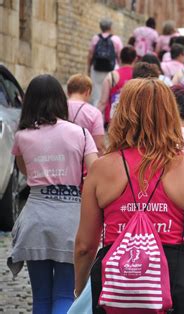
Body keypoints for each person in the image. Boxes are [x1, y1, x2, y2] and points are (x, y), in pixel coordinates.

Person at [73, 78, 184, 314]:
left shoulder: (100, 169)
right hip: (173, 279)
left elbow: (85, 245)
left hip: (114, 282)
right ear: (170, 115)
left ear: (122, 114)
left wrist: (81, 288)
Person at [8, 75, 98, 313]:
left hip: (35, 216)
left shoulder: (22, 136)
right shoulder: (80, 134)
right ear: (60, 99)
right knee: (65, 293)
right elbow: (95, 171)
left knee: (41, 297)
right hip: (70, 217)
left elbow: (26, 171)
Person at [87, 19, 123, 107]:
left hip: (97, 68)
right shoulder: (116, 39)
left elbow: (90, 55)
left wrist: (88, 68)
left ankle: (97, 114)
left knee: (97, 94)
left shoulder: (95, 38)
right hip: (112, 69)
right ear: (110, 27)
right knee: (112, 92)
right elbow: (120, 55)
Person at [66, 74, 105, 155]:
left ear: (68, 92)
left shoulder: (57, 108)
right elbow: (99, 146)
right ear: (87, 92)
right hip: (84, 161)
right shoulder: (94, 113)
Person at [97, 46, 137, 126]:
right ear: (135, 59)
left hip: (112, 120)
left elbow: (103, 102)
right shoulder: (138, 76)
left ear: (120, 58)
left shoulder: (112, 75)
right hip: (132, 121)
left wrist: (93, 116)